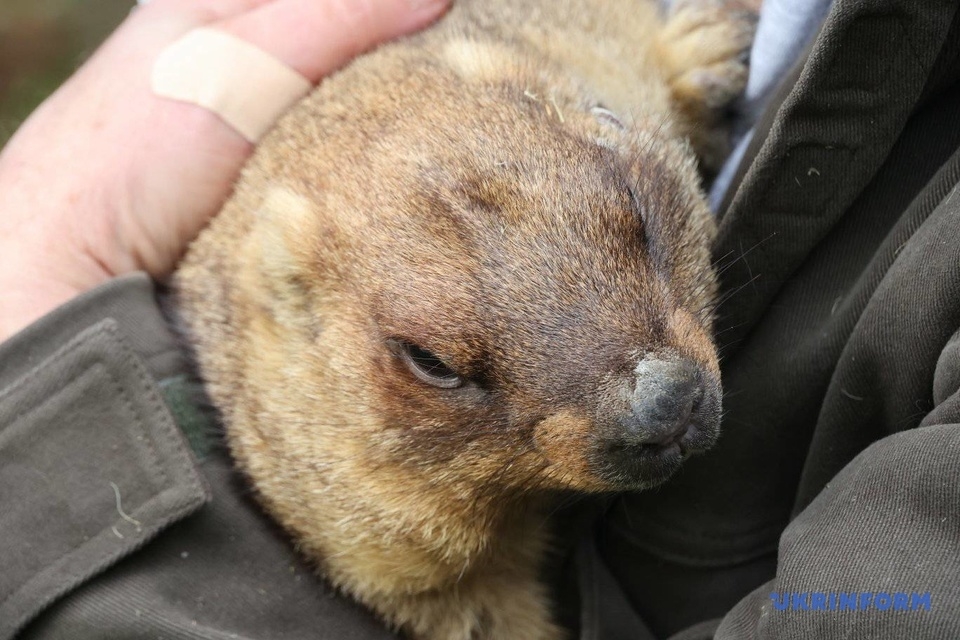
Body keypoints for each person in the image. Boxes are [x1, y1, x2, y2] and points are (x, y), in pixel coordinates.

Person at [2, 0, 959, 639]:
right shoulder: (327, 408)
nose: (655, 398)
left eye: (628, 223)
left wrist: (43, 263)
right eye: (437, 366)